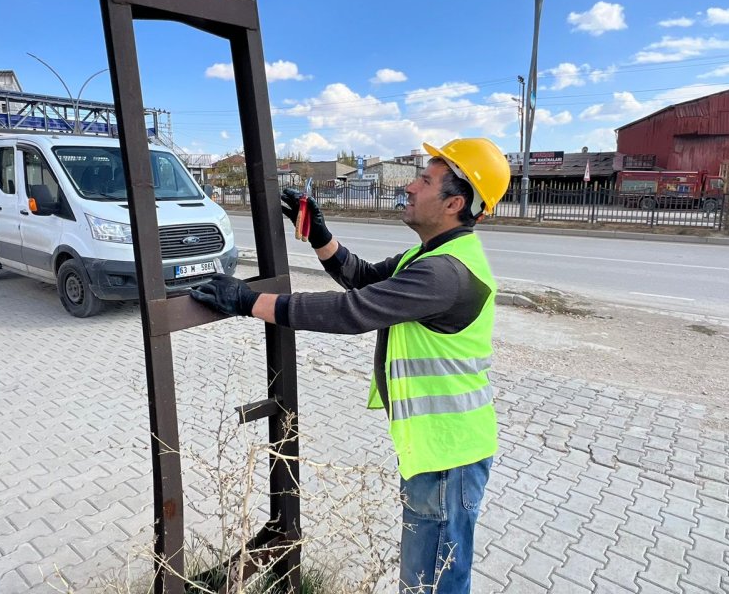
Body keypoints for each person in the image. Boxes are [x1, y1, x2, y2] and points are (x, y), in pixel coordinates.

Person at [191, 138, 511, 593]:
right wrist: (320, 235)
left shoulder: (445, 274)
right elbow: (361, 277)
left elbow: (350, 311)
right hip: (442, 451)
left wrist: (247, 301)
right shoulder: (429, 257)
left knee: (431, 584)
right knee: (432, 576)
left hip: (449, 457)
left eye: (424, 181)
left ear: (454, 203)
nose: (410, 188)